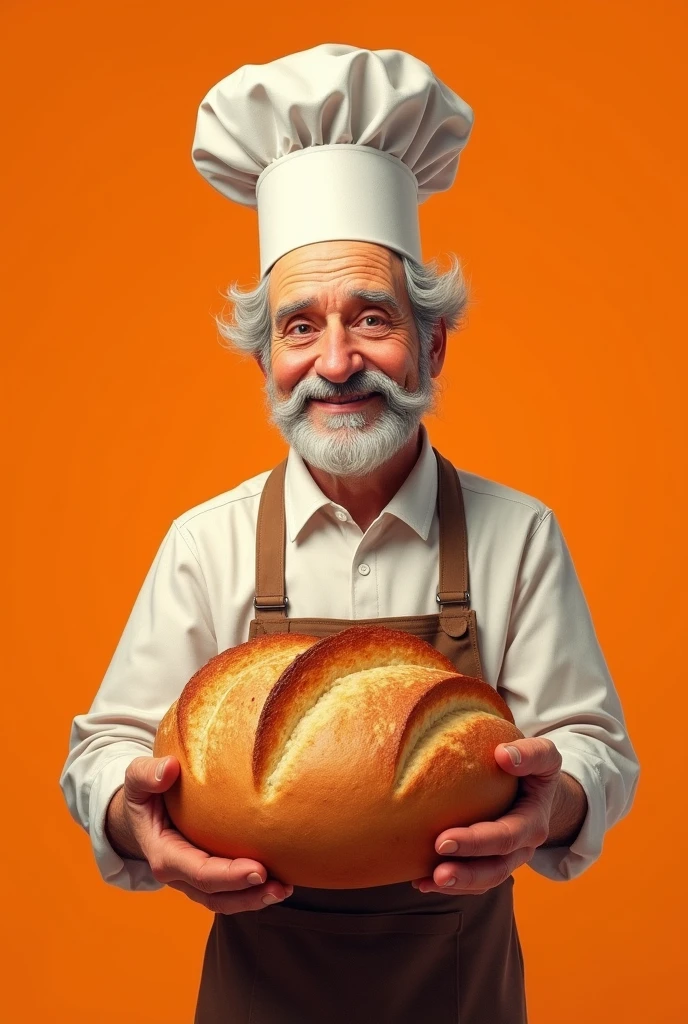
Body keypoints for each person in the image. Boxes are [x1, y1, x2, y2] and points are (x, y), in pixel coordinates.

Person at [59, 43, 640, 1024]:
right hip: (258, 991)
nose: (336, 362)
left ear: (430, 343)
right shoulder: (207, 542)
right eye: (298, 328)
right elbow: (105, 747)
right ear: (265, 364)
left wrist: (558, 800)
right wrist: (135, 815)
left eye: (371, 318)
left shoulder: (517, 534)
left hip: (459, 990)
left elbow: (592, 745)